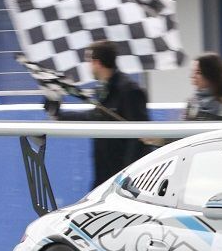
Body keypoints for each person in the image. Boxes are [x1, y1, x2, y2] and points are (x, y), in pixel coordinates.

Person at [44, 40, 149, 188]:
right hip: (103, 177)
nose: (89, 66)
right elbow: (93, 117)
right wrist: (58, 115)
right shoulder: (103, 90)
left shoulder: (129, 90)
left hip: (124, 180)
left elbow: (140, 138)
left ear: (97, 63)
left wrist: (126, 177)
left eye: (89, 61)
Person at [184, 53, 222, 121]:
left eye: (198, 72)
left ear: (211, 74)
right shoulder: (193, 102)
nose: (192, 76)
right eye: (192, 72)